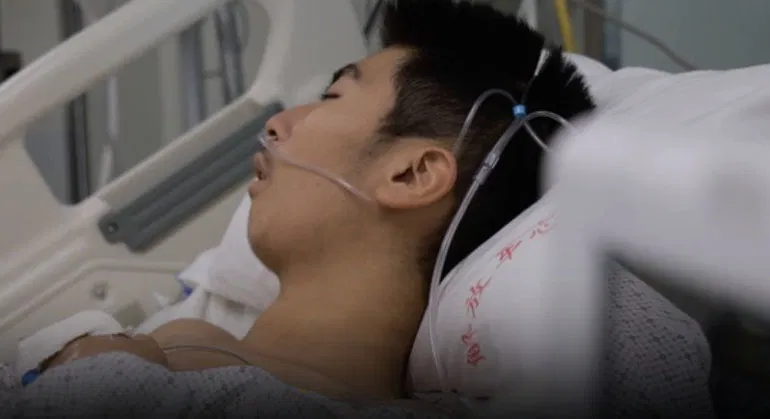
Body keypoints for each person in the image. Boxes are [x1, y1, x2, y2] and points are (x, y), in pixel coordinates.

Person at [1, 0, 712, 417]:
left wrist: (97, 368)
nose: (278, 124)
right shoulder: (182, 337)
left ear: (412, 172)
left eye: (333, 95)